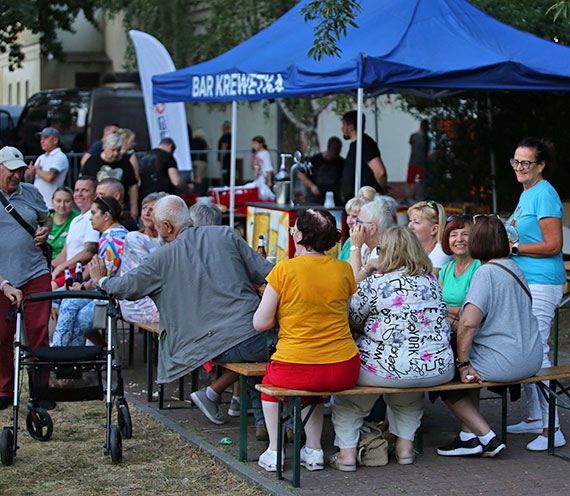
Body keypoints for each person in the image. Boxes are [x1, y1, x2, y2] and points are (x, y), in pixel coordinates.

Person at [88, 195, 277, 426]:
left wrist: (101, 280)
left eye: (157, 227)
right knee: (295, 344)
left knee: (267, 351)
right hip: (247, 334)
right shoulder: (225, 235)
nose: (157, 231)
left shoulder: (160, 257)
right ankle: (281, 424)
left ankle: (264, 424)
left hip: (205, 347)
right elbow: (271, 274)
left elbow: (125, 287)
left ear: (167, 226)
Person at [330, 226, 453, 469]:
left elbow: (352, 317)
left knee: (350, 402)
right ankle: (405, 449)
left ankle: (346, 455)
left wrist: (366, 269)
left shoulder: (376, 282)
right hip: (437, 368)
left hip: (386, 368)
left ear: (385, 252)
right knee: (409, 394)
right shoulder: (431, 281)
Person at [253, 209, 361, 472]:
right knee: (312, 391)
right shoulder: (344, 269)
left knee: (268, 386)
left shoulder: (283, 269)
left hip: (294, 366)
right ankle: (314, 451)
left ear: (299, 235)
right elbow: (345, 313)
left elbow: (260, 323)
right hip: (343, 368)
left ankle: (275, 451)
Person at [437, 215, 543, 458]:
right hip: (531, 358)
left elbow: (468, 324)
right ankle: (467, 436)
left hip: (506, 362)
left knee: (441, 376)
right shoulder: (514, 267)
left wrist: (463, 364)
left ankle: (487, 437)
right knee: (466, 367)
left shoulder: (486, 273)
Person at [504, 138, 567, 451]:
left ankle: (551, 428)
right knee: (526, 348)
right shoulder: (527, 193)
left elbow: (554, 245)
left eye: (525, 163)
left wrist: (512, 247)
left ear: (541, 165)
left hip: (543, 282)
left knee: (538, 349)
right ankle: (533, 416)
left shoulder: (544, 193)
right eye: (515, 161)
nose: (518, 167)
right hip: (526, 282)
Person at [0, 146, 52, 410]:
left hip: (35, 271)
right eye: (12, 170)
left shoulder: (31, 192)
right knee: (2, 336)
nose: (17, 176)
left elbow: (47, 219)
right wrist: (4, 283)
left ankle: (40, 389)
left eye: (20, 170)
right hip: (3, 277)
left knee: (38, 333)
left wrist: (44, 230)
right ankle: (4, 390)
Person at [52, 196, 128, 347]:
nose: (90, 218)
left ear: (106, 216)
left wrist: (81, 288)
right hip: (108, 293)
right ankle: (69, 358)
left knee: (70, 305)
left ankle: (60, 354)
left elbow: (103, 278)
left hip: (115, 298)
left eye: (94, 213)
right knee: (70, 305)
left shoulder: (113, 238)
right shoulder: (112, 234)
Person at [118, 192, 167, 324]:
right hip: (138, 301)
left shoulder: (168, 239)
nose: (146, 213)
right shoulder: (134, 238)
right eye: (144, 208)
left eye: (152, 209)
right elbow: (149, 275)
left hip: (161, 297)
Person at [51, 176, 99, 285]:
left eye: (85, 190)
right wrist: (51, 267)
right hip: (68, 269)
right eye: (77, 190)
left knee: (50, 287)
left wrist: (61, 267)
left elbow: (89, 252)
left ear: (95, 194)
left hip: (81, 273)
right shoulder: (75, 220)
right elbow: (64, 253)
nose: (79, 194)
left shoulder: (93, 217)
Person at [439, 215, 480, 332]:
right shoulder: (446, 269)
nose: (459, 239)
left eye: (465, 234)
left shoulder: (480, 267)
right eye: (453, 235)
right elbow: (436, 303)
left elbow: (473, 313)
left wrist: (446, 312)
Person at [82, 133, 139, 219]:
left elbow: (133, 185)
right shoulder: (92, 161)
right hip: (97, 206)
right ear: (104, 148)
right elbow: (85, 183)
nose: (116, 153)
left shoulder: (125, 162)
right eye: (112, 150)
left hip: (120, 206)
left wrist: (134, 207)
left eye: (118, 150)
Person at [339, 110, 387, 204]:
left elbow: (380, 172)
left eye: (344, 124)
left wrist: (382, 189)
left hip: (365, 201)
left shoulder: (365, 144)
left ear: (351, 127)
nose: (342, 128)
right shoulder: (355, 145)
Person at [347, 196, 395, 283]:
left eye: (359, 221)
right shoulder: (365, 246)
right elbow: (345, 270)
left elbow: (354, 284)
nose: (355, 225)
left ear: (372, 228)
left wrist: (355, 247)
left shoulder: (383, 252)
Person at [25, 127, 69, 209]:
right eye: (41, 139)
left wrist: (35, 170)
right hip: (38, 204)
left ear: (55, 140)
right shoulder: (41, 157)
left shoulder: (60, 156)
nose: (42, 141)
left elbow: (50, 177)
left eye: (45, 138)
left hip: (51, 206)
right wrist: (29, 173)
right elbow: (29, 181)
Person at [139, 138, 192, 203]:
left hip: (146, 196)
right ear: (170, 146)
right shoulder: (168, 157)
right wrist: (186, 186)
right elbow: (176, 182)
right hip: (163, 197)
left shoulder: (144, 157)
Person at [407, 200, 452, 277]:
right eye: (410, 221)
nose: (409, 226)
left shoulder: (443, 254)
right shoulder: (410, 249)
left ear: (434, 229)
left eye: (416, 222)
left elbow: (426, 283)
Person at [299, 137, 344, 205]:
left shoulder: (341, 162)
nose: (336, 153)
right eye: (334, 150)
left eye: (338, 150)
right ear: (329, 147)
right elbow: (301, 175)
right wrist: (312, 186)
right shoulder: (315, 160)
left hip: (333, 200)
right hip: (315, 199)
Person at [47, 186, 80, 259]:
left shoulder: (79, 219)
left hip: (70, 263)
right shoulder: (45, 220)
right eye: (58, 201)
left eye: (67, 201)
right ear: (52, 201)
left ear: (73, 202)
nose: (62, 205)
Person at [405, 120, 429, 203]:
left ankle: (414, 196)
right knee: (413, 181)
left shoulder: (423, 137)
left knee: (417, 181)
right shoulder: (419, 137)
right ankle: (412, 197)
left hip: (418, 162)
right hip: (417, 162)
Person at [218, 120, 231, 186]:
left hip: (226, 159)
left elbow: (224, 147)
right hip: (228, 158)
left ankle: (225, 186)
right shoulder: (229, 135)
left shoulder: (226, 136)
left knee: (225, 173)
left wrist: (221, 157)